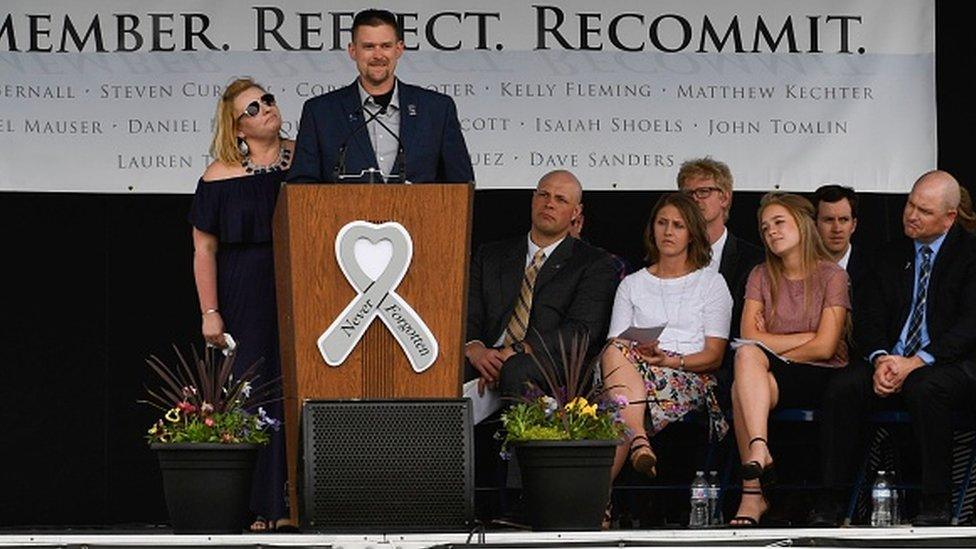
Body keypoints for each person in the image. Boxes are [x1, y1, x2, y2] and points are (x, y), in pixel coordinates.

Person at [811, 171, 976, 526]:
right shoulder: (889, 254)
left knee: (926, 386)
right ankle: (831, 500)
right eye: (910, 204)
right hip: (890, 362)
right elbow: (869, 318)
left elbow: (969, 327)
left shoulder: (970, 254)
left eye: (924, 211)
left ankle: (935, 501)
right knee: (843, 386)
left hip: (950, 365)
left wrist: (916, 362)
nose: (911, 215)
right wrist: (881, 358)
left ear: (949, 217)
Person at [189, 78, 292, 531]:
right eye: (253, 108)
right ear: (237, 129)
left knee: (301, 380)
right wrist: (210, 312)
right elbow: (204, 249)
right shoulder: (218, 175)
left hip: (303, 283)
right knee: (256, 387)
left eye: (267, 100)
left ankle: (299, 499)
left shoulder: (306, 157)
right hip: (245, 288)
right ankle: (263, 506)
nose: (266, 109)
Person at [729, 193, 851, 526]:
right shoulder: (760, 275)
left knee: (744, 380)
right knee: (746, 362)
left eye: (779, 222)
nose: (771, 232)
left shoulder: (832, 276)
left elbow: (826, 348)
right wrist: (805, 337)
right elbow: (748, 338)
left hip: (821, 375)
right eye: (765, 227)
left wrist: (776, 346)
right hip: (772, 375)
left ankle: (752, 494)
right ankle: (758, 450)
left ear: (803, 224)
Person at [600, 193, 732, 485]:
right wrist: (644, 352)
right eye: (662, 223)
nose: (668, 231)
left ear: (692, 234)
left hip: (688, 376)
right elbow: (617, 345)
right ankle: (639, 443)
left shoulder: (711, 283)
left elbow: (714, 355)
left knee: (615, 404)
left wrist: (669, 359)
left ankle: (599, 503)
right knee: (613, 358)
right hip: (635, 370)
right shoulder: (632, 284)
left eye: (678, 225)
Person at [465, 170, 619, 399]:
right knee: (442, 363)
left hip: (546, 359)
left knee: (517, 368)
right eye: (543, 195)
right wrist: (474, 348)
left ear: (576, 212)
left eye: (560, 199)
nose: (549, 204)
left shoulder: (595, 263)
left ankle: (523, 435)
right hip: (487, 354)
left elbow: (581, 331)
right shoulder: (491, 255)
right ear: (532, 199)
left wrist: (517, 350)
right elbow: (467, 312)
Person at [287, 9, 474, 184]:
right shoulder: (320, 112)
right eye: (368, 46)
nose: (378, 55)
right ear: (353, 51)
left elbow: (461, 186)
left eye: (385, 46)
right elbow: (301, 187)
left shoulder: (437, 109)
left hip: (419, 218)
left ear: (399, 49)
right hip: (344, 219)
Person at [811, 184, 874, 295]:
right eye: (829, 220)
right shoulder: (799, 268)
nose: (837, 229)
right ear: (814, 224)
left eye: (843, 220)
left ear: (853, 225)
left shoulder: (874, 270)